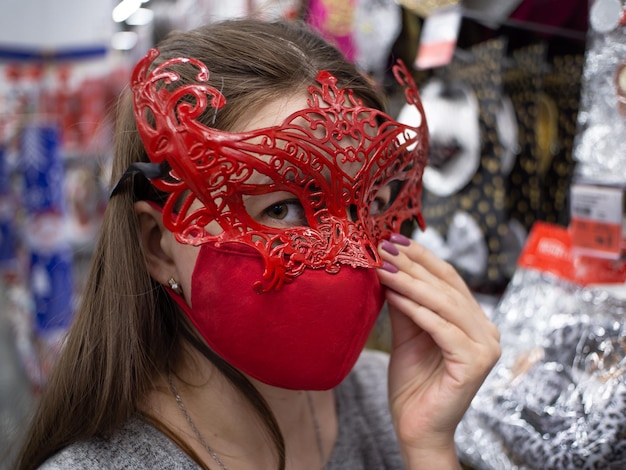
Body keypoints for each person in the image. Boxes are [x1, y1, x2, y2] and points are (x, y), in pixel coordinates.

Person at [15, 17, 500, 470]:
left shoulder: (389, 395)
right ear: (158, 247)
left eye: (370, 205)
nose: (352, 252)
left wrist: (428, 446)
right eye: (282, 209)